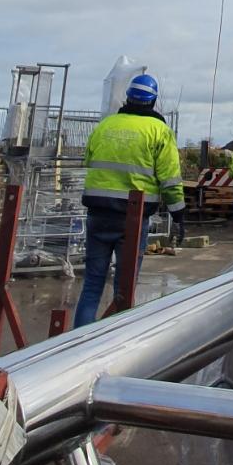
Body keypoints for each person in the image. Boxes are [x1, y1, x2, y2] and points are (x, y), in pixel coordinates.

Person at [75, 73, 185, 326]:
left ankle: (75, 345)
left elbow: (89, 161)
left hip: (98, 212)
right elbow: (170, 178)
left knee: (92, 283)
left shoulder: (105, 125)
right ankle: (114, 345)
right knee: (124, 289)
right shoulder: (159, 131)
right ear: (153, 100)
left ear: (128, 97)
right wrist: (178, 214)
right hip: (132, 218)